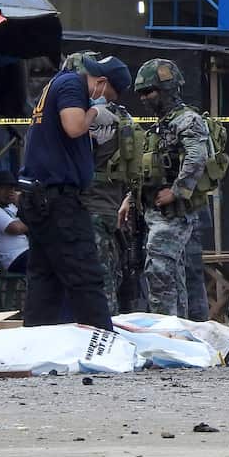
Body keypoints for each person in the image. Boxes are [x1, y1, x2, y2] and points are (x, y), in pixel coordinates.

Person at [18, 54, 131, 330]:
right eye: (109, 96)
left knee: (46, 278)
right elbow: (72, 126)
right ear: (101, 83)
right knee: (85, 272)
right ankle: (102, 338)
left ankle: (36, 339)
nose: (106, 101)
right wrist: (94, 113)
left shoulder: (56, 85)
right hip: (58, 200)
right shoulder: (72, 85)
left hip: (40, 197)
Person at [119, 59, 212, 319]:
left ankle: (167, 331)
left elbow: (197, 156)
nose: (145, 98)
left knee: (160, 271)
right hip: (153, 211)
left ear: (169, 89)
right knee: (169, 272)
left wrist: (178, 190)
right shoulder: (161, 126)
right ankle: (176, 327)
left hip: (174, 212)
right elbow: (148, 170)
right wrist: (130, 199)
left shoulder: (187, 120)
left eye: (150, 91)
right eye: (141, 93)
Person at [62, 51, 144, 316]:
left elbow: (71, 141)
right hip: (109, 205)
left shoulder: (96, 117)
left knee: (97, 274)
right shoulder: (124, 117)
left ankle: (103, 328)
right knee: (110, 270)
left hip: (92, 206)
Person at [0, 170, 30, 274]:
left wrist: (19, 204)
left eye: (11, 189)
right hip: (15, 259)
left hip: (27, 253)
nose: (9, 192)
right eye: (4, 188)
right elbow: (16, 228)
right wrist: (37, 222)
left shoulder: (12, 207)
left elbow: (29, 218)